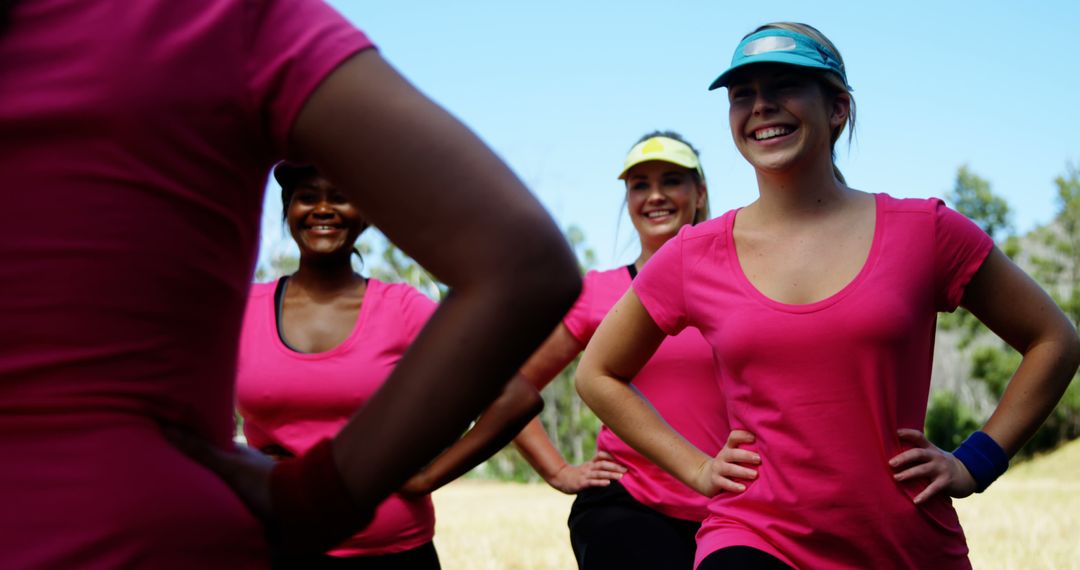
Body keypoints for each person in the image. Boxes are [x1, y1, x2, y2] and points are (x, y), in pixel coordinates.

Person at [0, 1, 579, 568]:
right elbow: (522, 265)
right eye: (307, 197)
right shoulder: (222, 19)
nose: (324, 209)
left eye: (341, 194)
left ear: (369, 210)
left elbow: (514, 380)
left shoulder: (398, 305)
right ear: (285, 209)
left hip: (372, 548)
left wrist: (354, 489)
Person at [576, 22, 1080, 570]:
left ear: (837, 107)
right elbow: (596, 373)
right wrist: (697, 469)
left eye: (785, 86)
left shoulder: (925, 231)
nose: (761, 107)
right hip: (753, 536)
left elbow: (1054, 340)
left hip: (905, 542)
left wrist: (977, 460)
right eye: (743, 95)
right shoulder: (696, 253)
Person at [430, 131, 739, 570]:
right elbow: (509, 382)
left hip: (731, 509)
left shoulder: (739, 284)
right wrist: (558, 470)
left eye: (672, 180)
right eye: (640, 184)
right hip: (630, 504)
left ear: (699, 192)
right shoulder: (601, 292)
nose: (655, 196)